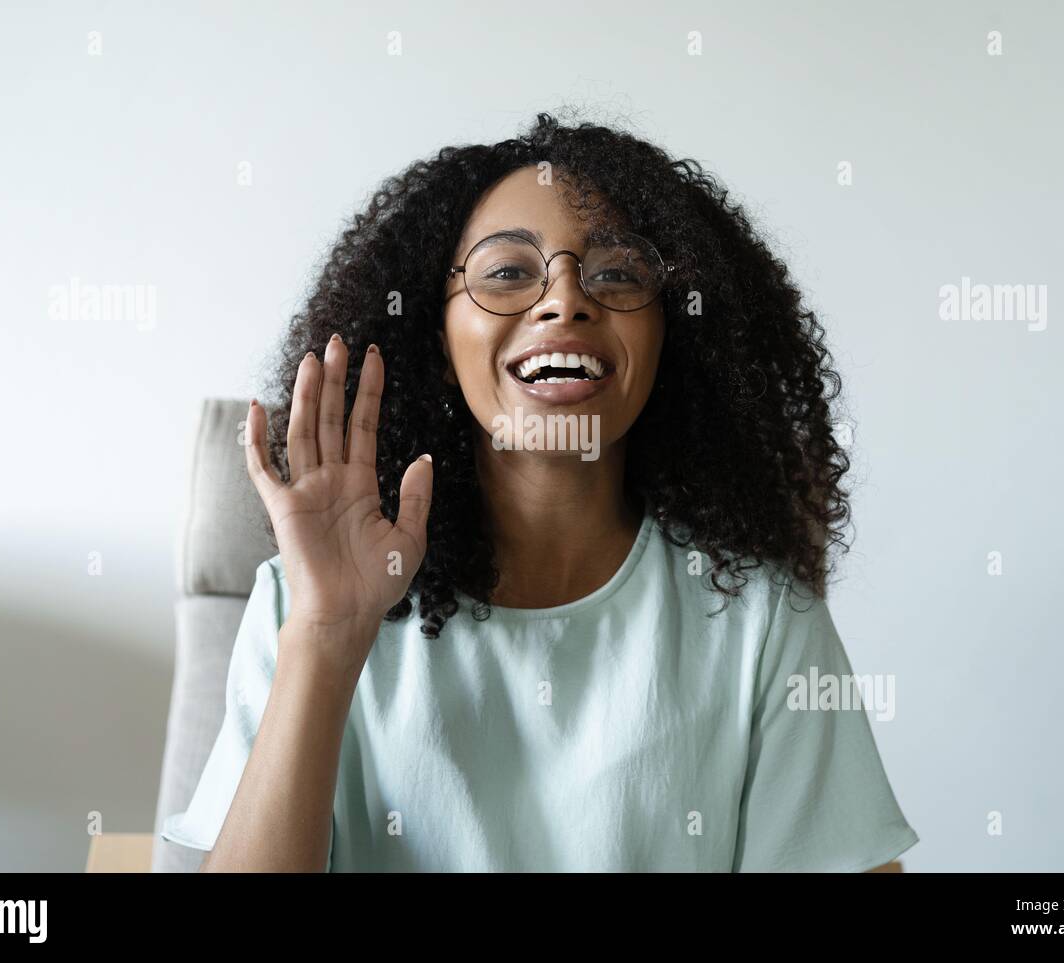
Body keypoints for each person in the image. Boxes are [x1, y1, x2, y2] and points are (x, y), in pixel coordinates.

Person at [161, 112, 919, 872]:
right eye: (507, 272)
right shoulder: (307, 598)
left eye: (618, 272)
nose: (564, 301)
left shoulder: (762, 621)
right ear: (437, 334)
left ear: (673, 336)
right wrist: (325, 636)